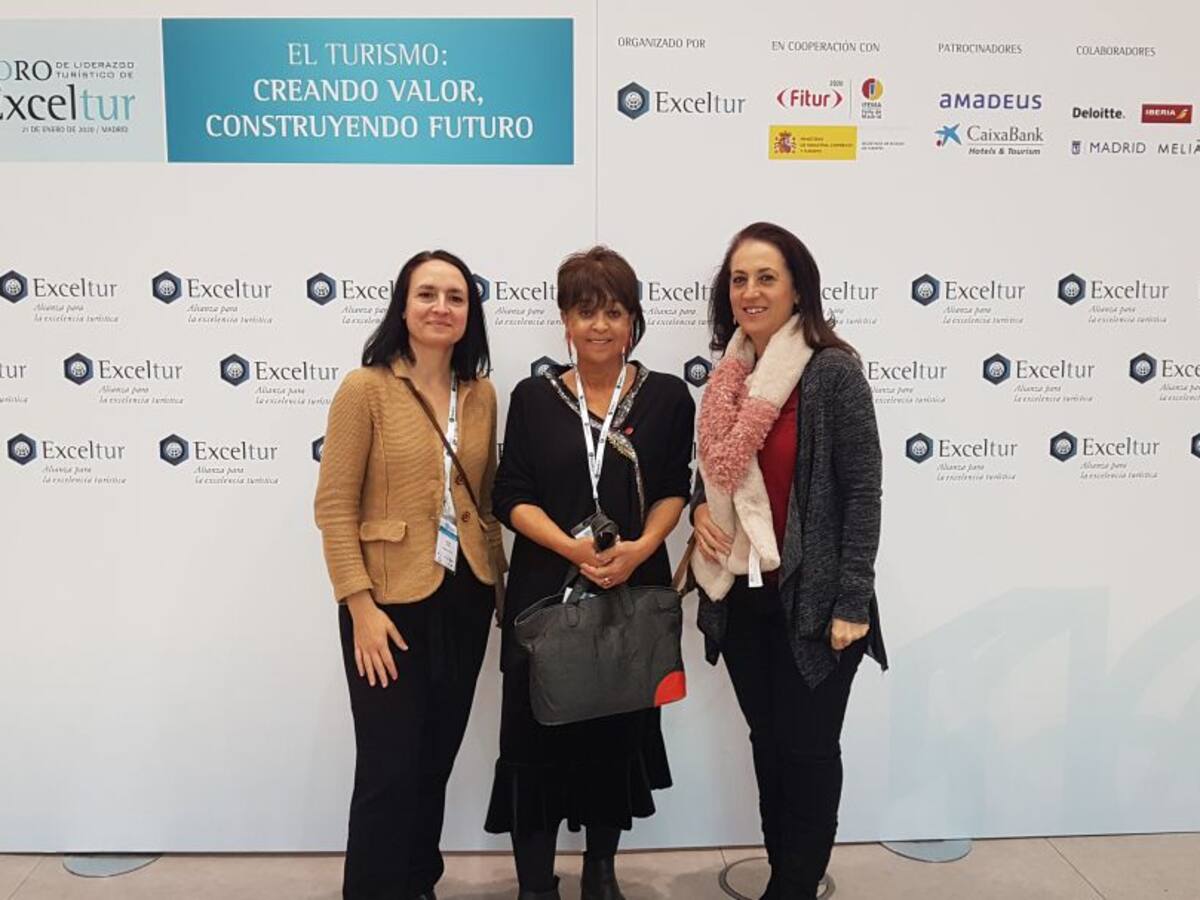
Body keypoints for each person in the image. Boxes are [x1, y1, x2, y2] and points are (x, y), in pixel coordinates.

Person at [484, 246, 694, 900]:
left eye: (614, 311)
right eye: (585, 311)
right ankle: (534, 886)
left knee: (615, 732)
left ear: (633, 319)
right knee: (534, 744)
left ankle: (600, 874)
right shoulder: (532, 397)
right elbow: (510, 495)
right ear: (565, 320)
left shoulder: (667, 396)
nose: (599, 325)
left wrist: (640, 547)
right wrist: (574, 550)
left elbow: (673, 487)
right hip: (545, 597)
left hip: (631, 591)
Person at [690, 222, 888, 899]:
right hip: (743, 597)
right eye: (739, 279)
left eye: (766, 277)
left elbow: (862, 492)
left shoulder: (832, 371)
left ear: (798, 288)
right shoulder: (727, 378)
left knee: (807, 751)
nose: (750, 291)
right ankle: (784, 869)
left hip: (818, 601)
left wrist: (852, 602)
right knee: (768, 744)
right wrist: (697, 510)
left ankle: (796, 884)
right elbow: (717, 473)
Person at [314, 249, 505, 900]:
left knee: (433, 761)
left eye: (455, 297)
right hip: (386, 605)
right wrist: (359, 607)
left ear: (469, 312)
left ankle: (418, 883)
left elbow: (483, 499)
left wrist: (500, 589)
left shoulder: (481, 395)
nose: (441, 307)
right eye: (427, 294)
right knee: (388, 768)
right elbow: (334, 506)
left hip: (464, 595)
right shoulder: (364, 388)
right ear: (403, 306)